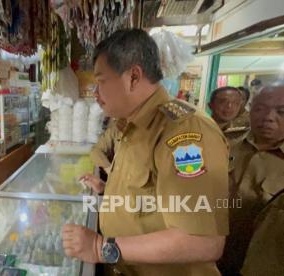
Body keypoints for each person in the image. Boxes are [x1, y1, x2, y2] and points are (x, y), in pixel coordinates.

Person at [62, 29, 229, 276]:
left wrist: (100, 248)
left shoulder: (184, 132)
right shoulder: (130, 123)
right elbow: (150, 193)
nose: (95, 93)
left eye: (101, 81)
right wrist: (109, 191)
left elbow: (202, 241)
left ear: (133, 77)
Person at [219, 83, 284, 275]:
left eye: (281, 111)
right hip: (207, 255)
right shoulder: (223, 142)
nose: (268, 118)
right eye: (259, 109)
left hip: (258, 263)